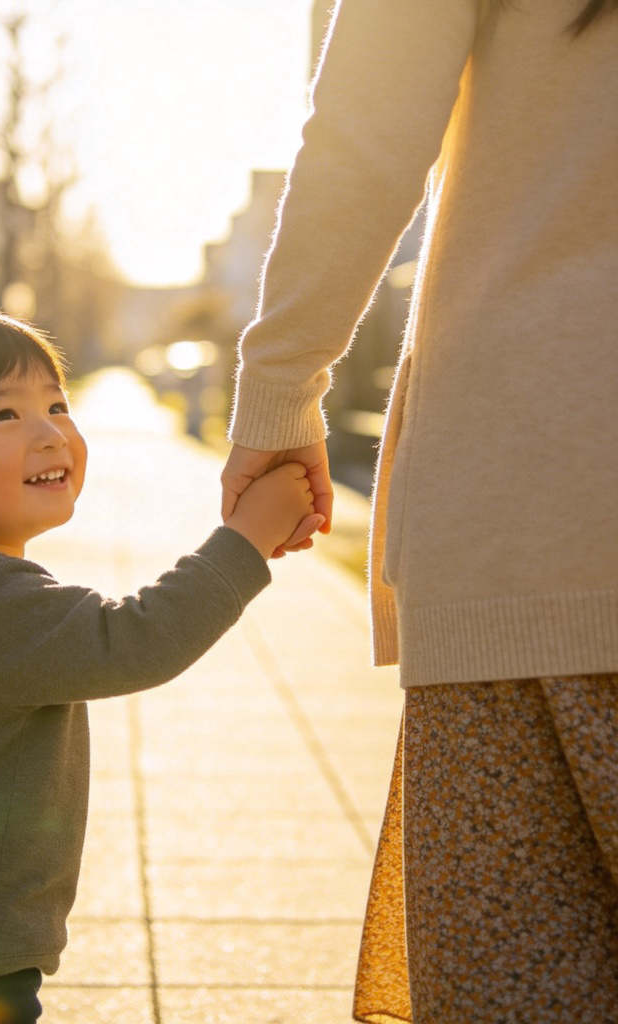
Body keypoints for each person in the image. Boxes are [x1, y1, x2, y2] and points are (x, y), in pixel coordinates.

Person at [220, 0, 618, 1020]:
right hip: (538, 501)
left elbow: (364, 134)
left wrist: (278, 393)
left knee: (530, 974)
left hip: (537, 490)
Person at [0, 302, 323, 1024]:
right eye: (2, 416)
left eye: (55, 403)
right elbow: (138, 639)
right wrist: (246, 538)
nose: (50, 432)